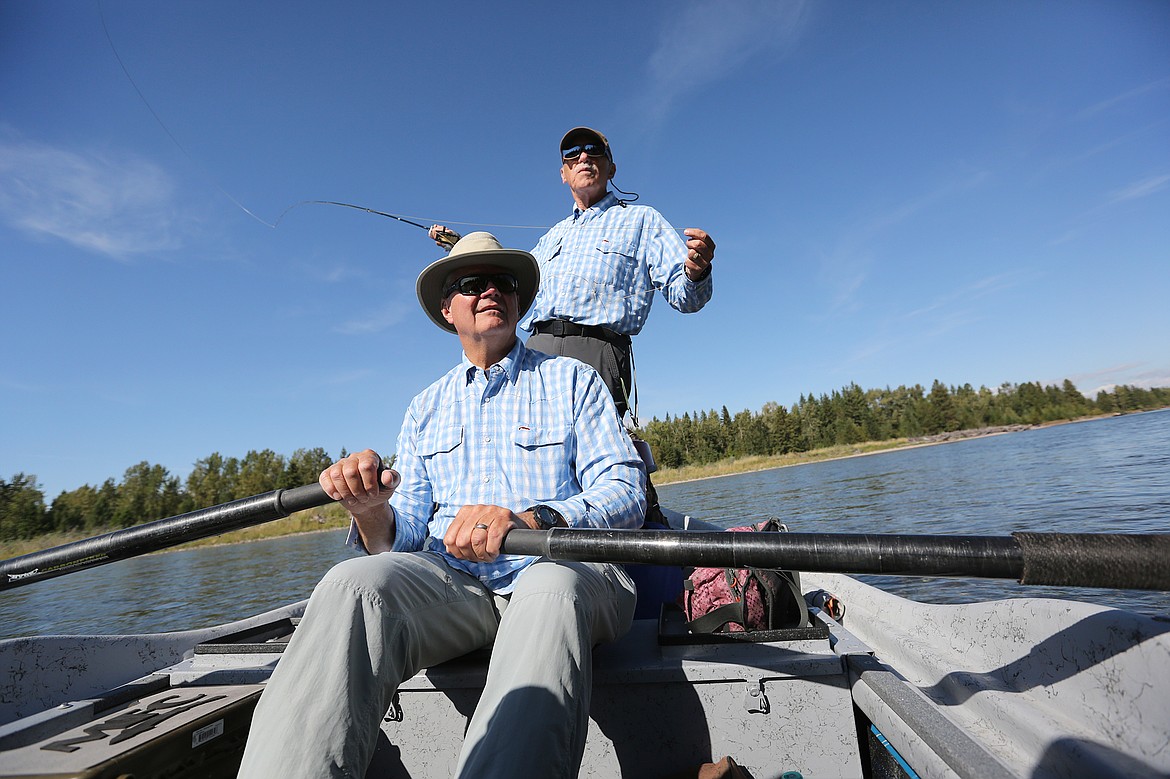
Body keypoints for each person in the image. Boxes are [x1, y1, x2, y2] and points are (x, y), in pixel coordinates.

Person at [238, 232, 646, 778]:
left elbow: (625, 489)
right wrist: (367, 508)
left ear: (519, 301)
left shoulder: (574, 380)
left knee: (549, 590)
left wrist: (534, 519)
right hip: (462, 588)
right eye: (471, 284)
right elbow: (400, 534)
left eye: (502, 282)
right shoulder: (424, 408)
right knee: (351, 583)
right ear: (446, 308)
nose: (490, 292)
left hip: (567, 571)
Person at [431, 126, 716, 417]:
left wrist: (697, 271)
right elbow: (508, 281)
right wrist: (463, 248)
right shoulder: (552, 236)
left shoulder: (642, 219)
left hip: (597, 351)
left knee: (594, 453)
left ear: (611, 169)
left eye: (594, 151)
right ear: (563, 174)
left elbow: (687, 298)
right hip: (534, 352)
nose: (583, 157)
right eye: (572, 154)